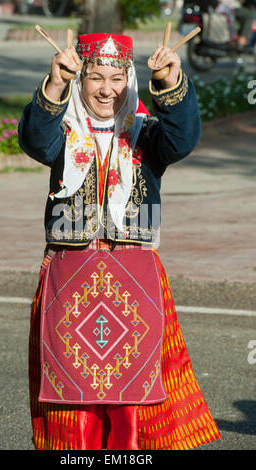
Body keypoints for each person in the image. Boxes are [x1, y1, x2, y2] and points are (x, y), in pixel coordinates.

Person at [18, 32, 221, 451]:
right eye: (95, 78)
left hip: (134, 274)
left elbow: (183, 140)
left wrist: (169, 83)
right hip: (70, 274)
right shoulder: (63, 129)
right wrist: (54, 83)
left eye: (116, 78)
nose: (106, 89)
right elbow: (35, 140)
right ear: (81, 79)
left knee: (131, 391)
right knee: (74, 395)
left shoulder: (147, 133)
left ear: (128, 80)